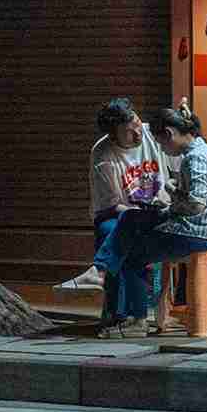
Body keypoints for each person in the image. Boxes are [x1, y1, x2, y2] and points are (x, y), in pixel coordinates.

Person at [93, 105, 207, 338]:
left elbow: (196, 204)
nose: (160, 148)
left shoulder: (194, 158)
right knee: (131, 219)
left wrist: (171, 199)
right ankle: (101, 272)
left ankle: (135, 319)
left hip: (197, 231)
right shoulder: (202, 150)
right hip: (202, 227)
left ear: (168, 134)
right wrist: (173, 195)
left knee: (131, 255)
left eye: (160, 143)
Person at [59, 97, 168, 298]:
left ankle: (99, 273)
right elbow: (111, 205)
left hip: (158, 210)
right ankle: (118, 308)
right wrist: (137, 217)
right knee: (109, 229)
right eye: (128, 131)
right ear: (113, 135)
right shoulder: (102, 154)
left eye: (137, 124)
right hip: (118, 212)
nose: (138, 133)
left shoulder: (152, 134)